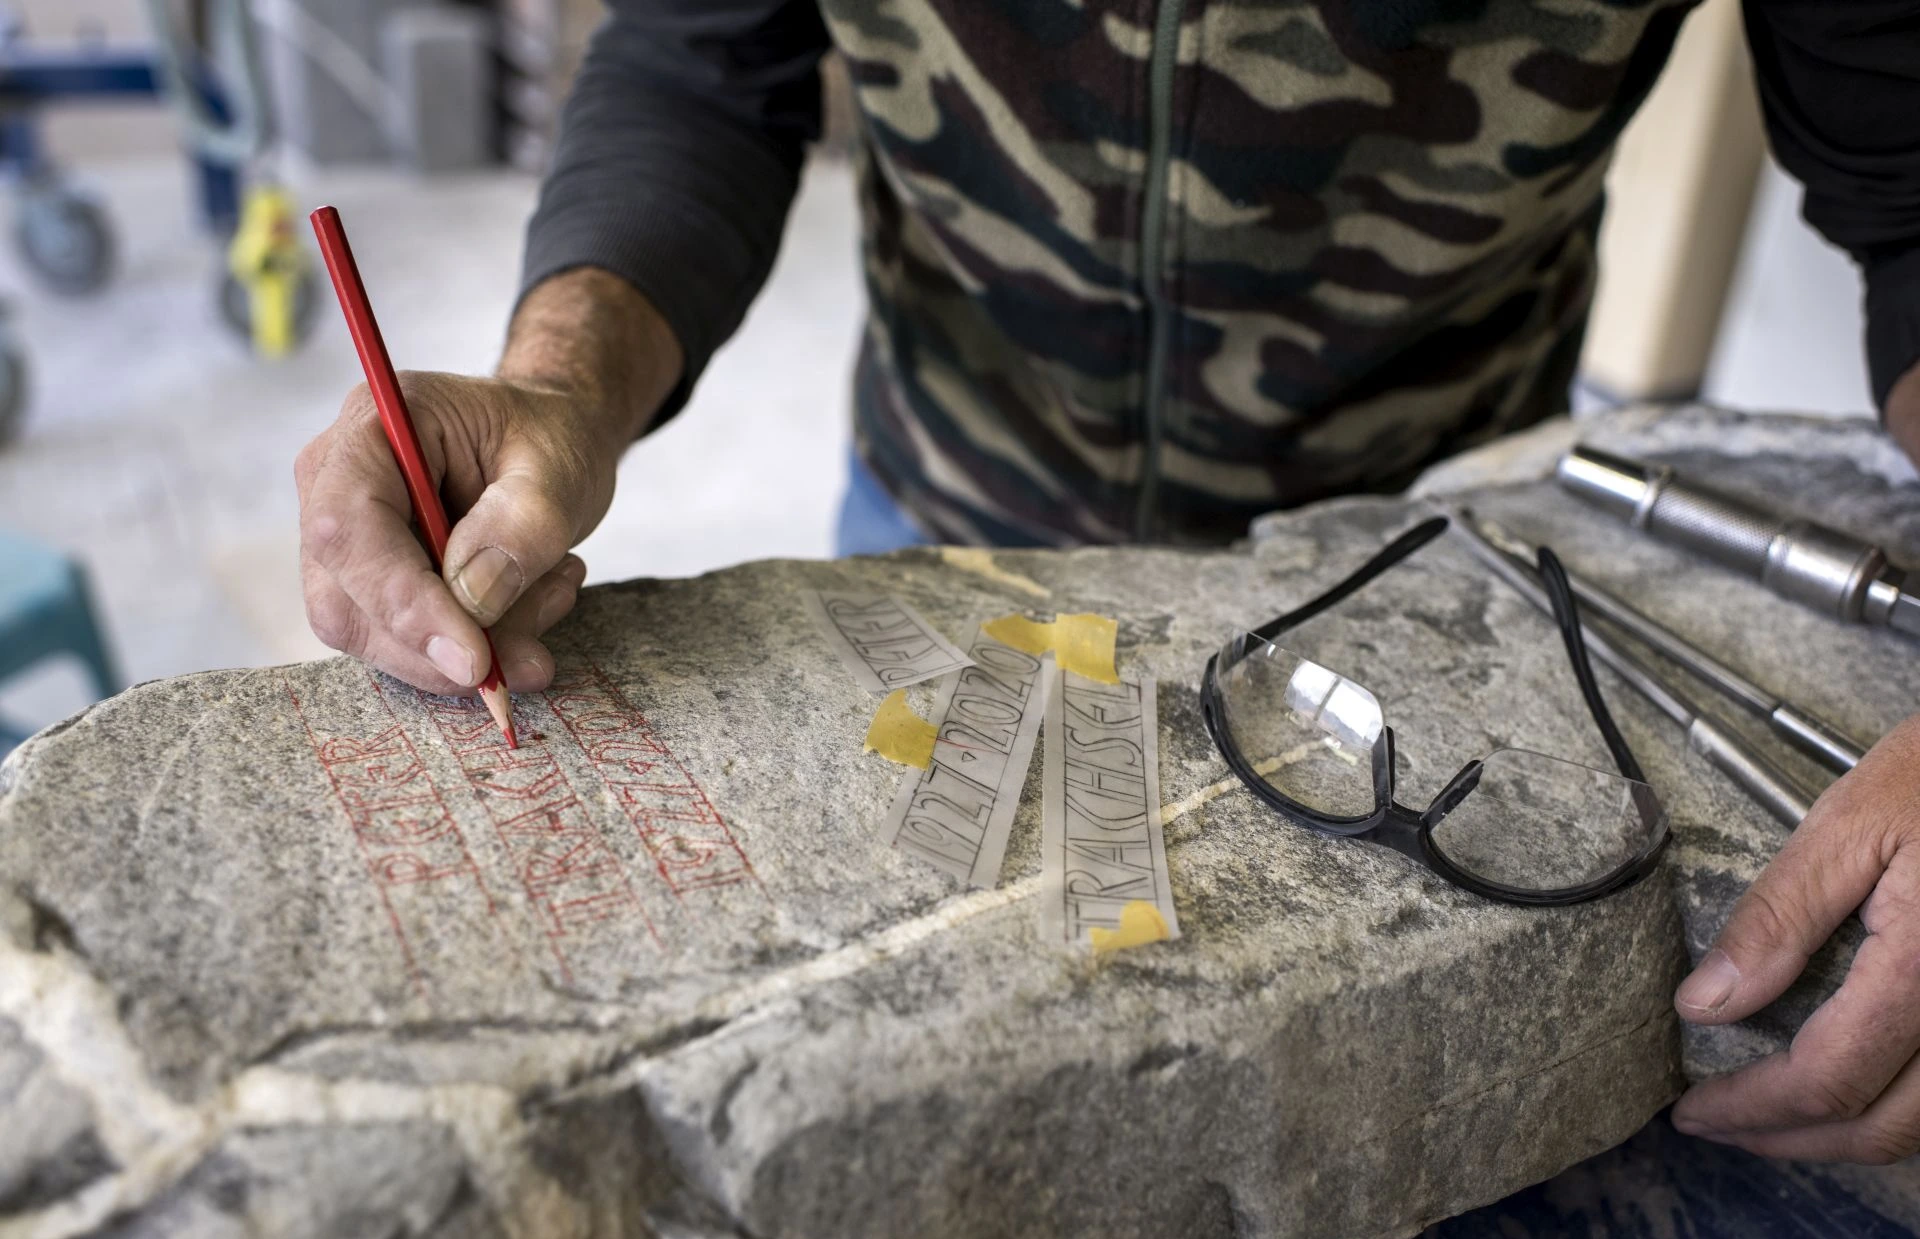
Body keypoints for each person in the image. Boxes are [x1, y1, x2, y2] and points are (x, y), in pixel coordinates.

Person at [295, 2, 1920, 1164]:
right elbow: (706, 58)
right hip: (947, 510)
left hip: (1410, 556)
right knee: (948, 1040)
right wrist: (562, 380)